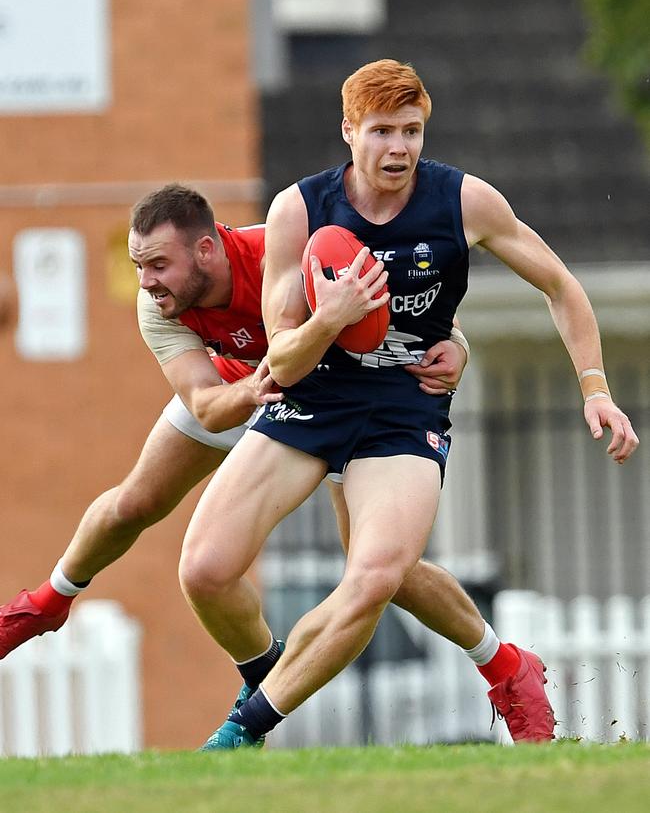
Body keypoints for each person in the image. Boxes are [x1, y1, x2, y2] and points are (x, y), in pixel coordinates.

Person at [178, 60, 639, 751]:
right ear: (348, 132)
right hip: (313, 395)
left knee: (375, 574)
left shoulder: (464, 201)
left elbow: (561, 286)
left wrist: (595, 389)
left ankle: (242, 732)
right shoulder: (299, 211)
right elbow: (281, 360)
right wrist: (331, 317)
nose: (399, 148)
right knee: (205, 570)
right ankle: (498, 666)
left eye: (412, 131)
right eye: (382, 131)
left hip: (403, 406)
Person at [0, 185, 536, 740]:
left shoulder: (283, 248)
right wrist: (259, 384)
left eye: (159, 264)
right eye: (140, 266)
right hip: (243, 395)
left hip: (328, 398)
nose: (146, 281)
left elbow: (406, 313)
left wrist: (461, 348)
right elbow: (206, 406)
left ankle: (503, 666)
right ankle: (46, 604)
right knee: (137, 502)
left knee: (384, 571)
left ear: (207, 249)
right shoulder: (156, 303)